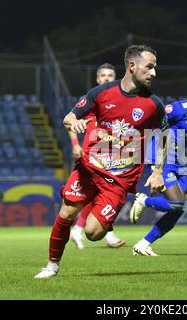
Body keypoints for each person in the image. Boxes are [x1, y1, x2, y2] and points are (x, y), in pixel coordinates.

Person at [35, 44, 166, 279]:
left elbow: (163, 138)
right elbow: (70, 117)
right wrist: (73, 123)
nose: (154, 73)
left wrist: (157, 171)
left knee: (93, 233)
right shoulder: (101, 93)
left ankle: (101, 216)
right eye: (150, 67)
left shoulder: (153, 105)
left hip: (119, 180)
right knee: (66, 213)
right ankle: (52, 266)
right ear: (132, 66)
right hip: (90, 168)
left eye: (155, 68)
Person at [129, 77, 187, 256]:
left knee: (178, 209)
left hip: (180, 162)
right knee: (176, 203)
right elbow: (156, 125)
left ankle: (144, 244)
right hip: (163, 158)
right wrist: (157, 166)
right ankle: (143, 200)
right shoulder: (180, 109)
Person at [68, 63, 126, 249]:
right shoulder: (90, 100)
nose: (107, 78)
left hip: (110, 155)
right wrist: (75, 144)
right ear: (97, 79)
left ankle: (79, 230)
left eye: (110, 75)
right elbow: (70, 121)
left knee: (98, 196)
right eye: (103, 75)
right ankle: (103, 234)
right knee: (103, 194)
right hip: (91, 155)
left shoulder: (118, 102)